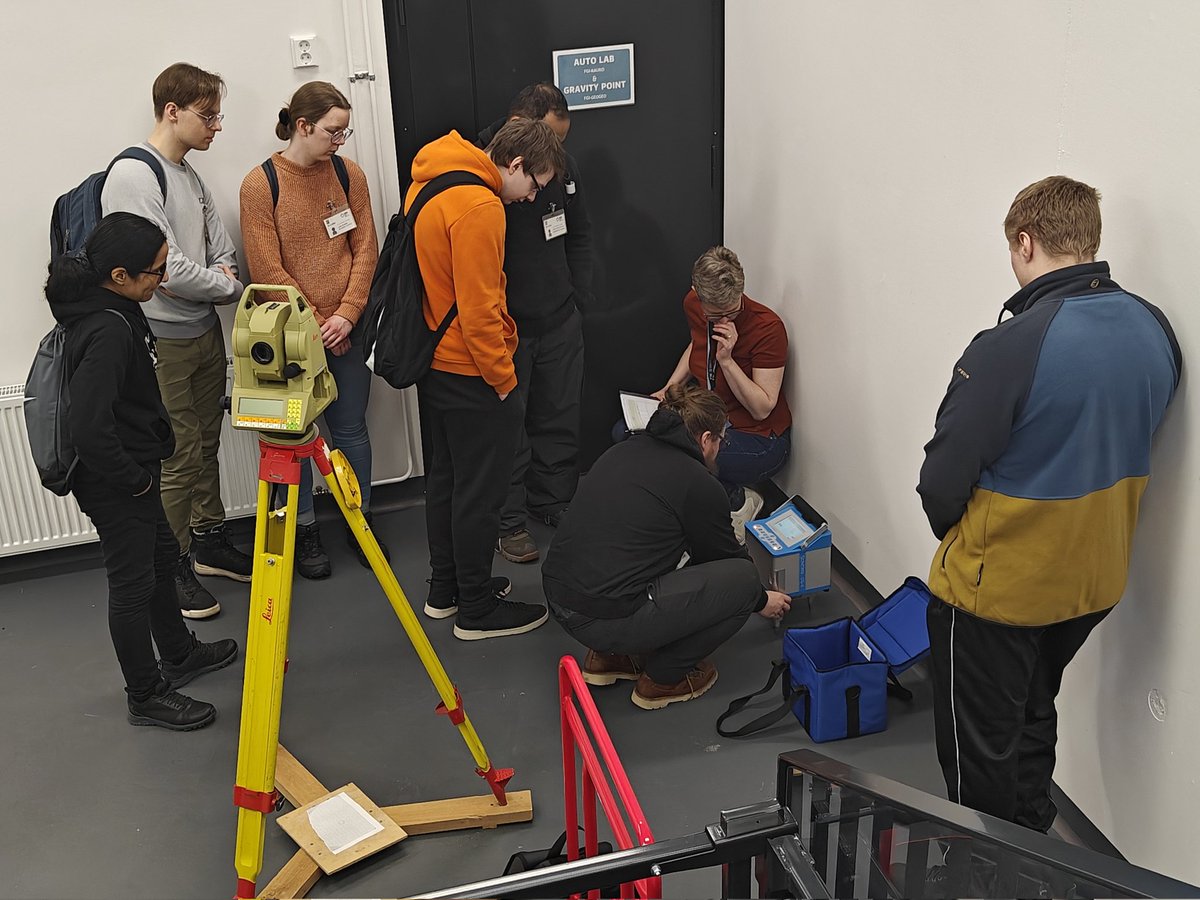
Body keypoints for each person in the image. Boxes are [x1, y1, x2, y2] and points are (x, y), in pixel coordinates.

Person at [917, 175, 1181, 831]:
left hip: (999, 592)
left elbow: (942, 482)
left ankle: (986, 871)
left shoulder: (1010, 347)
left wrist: (960, 533)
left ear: (1027, 242)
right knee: (1033, 713)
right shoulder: (1155, 330)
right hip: (1092, 583)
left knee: (978, 755)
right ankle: (1035, 844)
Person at [45, 212, 239, 730]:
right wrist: (132, 480)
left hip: (132, 470)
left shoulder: (114, 308)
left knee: (159, 563)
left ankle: (178, 654)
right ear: (119, 277)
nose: (163, 279)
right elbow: (88, 426)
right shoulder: (106, 326)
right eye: (155, 272)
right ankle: (145, 693)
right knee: (131, 585)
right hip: (115, 480)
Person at [102, 62, 250, 619]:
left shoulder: (187, 172)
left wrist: (222, 280)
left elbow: (219, 246)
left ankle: (209, 540)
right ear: (172, 111)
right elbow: (167, 268)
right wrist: (225, 287)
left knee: (207, 443)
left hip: (203, 332)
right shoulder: (134, 176)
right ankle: (176, 562)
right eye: (207, 115)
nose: (216, 127)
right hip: (163, 338)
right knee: (177, 454)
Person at [543, 383, 792, 709]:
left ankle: (609, 658)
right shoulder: (698, 483)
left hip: (561, 596)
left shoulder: (621, 451)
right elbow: (724, 559)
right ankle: (662, 677)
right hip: (605, 617)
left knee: (636, 553)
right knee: (743, 581)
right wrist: (761, 600)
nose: (720, 448)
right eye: (721, 440)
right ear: (706, 440)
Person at [410, 118, 566, 640]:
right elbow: (480, 312)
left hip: (434, 361)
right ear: (516, 164)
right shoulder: (480, 206)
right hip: (471, 370)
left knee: (447, 484)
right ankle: (476, 609)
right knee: (480, 494)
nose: (530, 198)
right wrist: (504, 381)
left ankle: (446, 590)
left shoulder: (432, 177)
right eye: (534, 185)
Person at [240, 81, 388, 579]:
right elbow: (266, 269)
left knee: (351, 432)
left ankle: (358, 519)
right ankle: (303, 532)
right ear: (302, 126)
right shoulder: (261, 184)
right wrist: (320, 325)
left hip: (349, 328)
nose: (340, 141)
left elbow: (366, 247)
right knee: (294, 438)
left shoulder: (349, 174)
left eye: (345, 131)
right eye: (332, 131)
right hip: (292, 337)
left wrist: (348, 313)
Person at [477, 83, 593, 565]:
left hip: (561, 319)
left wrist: (578, 298)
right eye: (549, 140)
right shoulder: (482, 173)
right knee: (510, 428)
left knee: (560, 417)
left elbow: (580, 235)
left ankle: (554, 500)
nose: (555, 153)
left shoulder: (562, 169)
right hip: (510, 329)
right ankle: (510, 521)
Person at [650, 246, 792, 538]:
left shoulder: (768, 328)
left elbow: (763, 407)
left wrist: (727, 361)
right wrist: (670, 387)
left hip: (760, 437)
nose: (725, 321)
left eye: (732, 311)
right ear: (698, 297)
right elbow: (698, 343)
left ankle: (741, 500)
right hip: (713, 418)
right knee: (639, 433)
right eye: (716, 316)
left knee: (684, 455)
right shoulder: (693, 303)